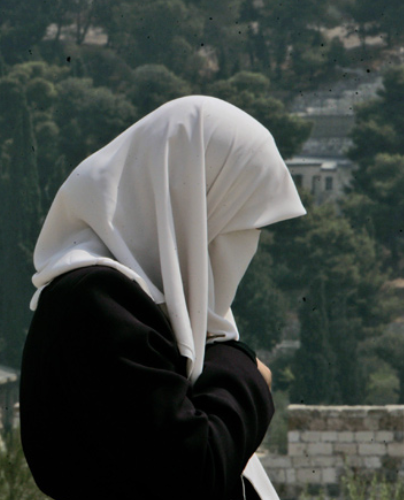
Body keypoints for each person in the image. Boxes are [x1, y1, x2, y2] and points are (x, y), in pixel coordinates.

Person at [19, 95, 306, 500]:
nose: (244, 243)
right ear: (192, 205)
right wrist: (245, 374)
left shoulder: (128, 302)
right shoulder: (97, 304)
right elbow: (195, 469)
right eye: (235, 218)